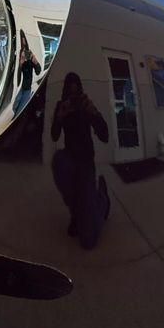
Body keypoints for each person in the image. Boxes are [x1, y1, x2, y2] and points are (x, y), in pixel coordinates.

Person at [50, 72, 110, 249]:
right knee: (58, 160)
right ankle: (77, 214)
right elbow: (54, 136)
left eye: (76, 92)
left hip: (86, 165)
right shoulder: (62, 106)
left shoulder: (85, 105)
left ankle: (103, 199)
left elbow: (105, 136)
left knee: (88, 241)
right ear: (65, 93)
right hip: (69, 162)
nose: (73, 99)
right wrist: (59, 117)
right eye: (70, 93)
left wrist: (94, 114)